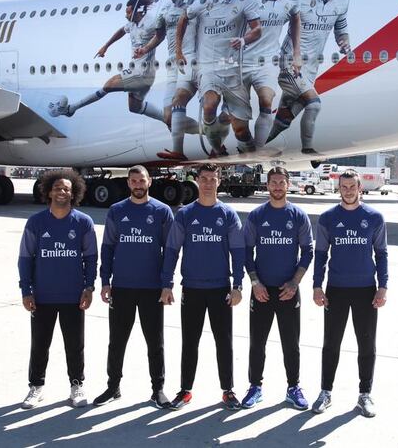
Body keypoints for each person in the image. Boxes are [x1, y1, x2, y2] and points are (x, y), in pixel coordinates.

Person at [161, 164, 245, 410]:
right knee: (190, 341)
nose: (208, 183)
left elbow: (238, 251)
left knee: (224, 341)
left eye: (213, 179)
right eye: (204, 179)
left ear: (219, 181)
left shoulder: (228, 214)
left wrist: (237, 285)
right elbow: (172, 250)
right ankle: (185, 390)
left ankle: (228, 390)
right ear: (197, 181)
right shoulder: (185, 214)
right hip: (192, 289)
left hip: (220, 289)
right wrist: (167, 284)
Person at [93, 165, 174, 408]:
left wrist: (166, 284)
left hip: (151, 288)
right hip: (122, 287)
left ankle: (158, 389)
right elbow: (107, 247)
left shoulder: (161, 211)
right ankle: (113, 386)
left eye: (142, 181)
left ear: (149, 182)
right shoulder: (117, 210)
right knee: (117, 340)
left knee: (155, 341)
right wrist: (105, 281)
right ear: (128, 183)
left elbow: (170, 251)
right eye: (134, 181)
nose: (138, 185)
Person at [18, 170, 97, 409]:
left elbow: (91, 257)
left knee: (75, 345)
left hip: (73, 296)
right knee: (40, 344)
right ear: (49, 191)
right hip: (42, 295)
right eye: (58, 188)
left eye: (67, 189)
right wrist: (26, 290)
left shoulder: (83, 222)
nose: (62, 192)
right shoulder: (36, 222)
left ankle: (77, 385)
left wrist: (89, 286)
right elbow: (25, 258)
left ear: (74, 194)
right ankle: (36, 387)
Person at [311, 169, 387, 418]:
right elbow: (320, 254)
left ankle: (365, 394)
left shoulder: (374, 218)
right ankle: (325, 392)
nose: (348, 191)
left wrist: (383, 286)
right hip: (336, 290)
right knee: (331, 344)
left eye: (352, 186)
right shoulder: (328, 218)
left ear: (360, 187)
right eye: (344, 187)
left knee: (367, 344)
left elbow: (381, 253)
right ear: (338, 188)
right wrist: (317, 285)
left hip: (366, 290)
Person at [162, 0, 261, 159]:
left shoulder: (244, 2)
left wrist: (243, 39)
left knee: (239, 125)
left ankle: (248, 153)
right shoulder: (205, 1)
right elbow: (184, 17)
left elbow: (257, 29)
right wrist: (178, 51)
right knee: (208, 105)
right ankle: (215, 148)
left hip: (231, 68)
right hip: (207, 67)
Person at [241, 166, 313, 410]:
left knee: (291, 343)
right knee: (257, 342)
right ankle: (255, 387)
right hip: (261, 291)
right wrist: (255, 282)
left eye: (282, 182)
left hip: (288, 291)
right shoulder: (257, 215)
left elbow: (308, 251)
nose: (278, 187)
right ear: (267, 184)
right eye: (274, 182)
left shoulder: (298, 216)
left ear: (288, 184)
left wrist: (295, 282)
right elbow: (245, 251)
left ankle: (293, 387)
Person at [267, 0, 351, 154]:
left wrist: (345, 43)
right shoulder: (302, 1)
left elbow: (341, 29)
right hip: (291, 62)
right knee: (314, 105)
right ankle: (308, 148)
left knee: (285, 117)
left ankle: (263, 144)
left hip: (311, 67)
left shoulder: (340, 4)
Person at [48, 0, 164, 123]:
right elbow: (121, 31)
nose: (126, 15)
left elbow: (160, 34)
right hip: (139, 70)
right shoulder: (132, 23)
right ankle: (169, 120)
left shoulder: (150, 23)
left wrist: (145, 49)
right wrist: (106, 46)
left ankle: (71, 109)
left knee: (109, 85)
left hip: (142, 73)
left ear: (138, 11)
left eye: (128, 12)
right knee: (134, 107)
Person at [242, 0, 301, 149]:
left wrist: (296, 52)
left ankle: (257, 149)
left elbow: (296, 21)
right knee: (232, 111)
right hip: (243, 59)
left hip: (268, 60)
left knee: (266, 106)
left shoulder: (290, 2)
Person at [134, 0, 201, 138]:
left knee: (202, 103)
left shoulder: (198, 3)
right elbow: (159, 35)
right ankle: (211, 133)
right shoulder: (166, 9)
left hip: (194, 60)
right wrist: (145, 49)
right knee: (168, 117)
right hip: (174, 64)